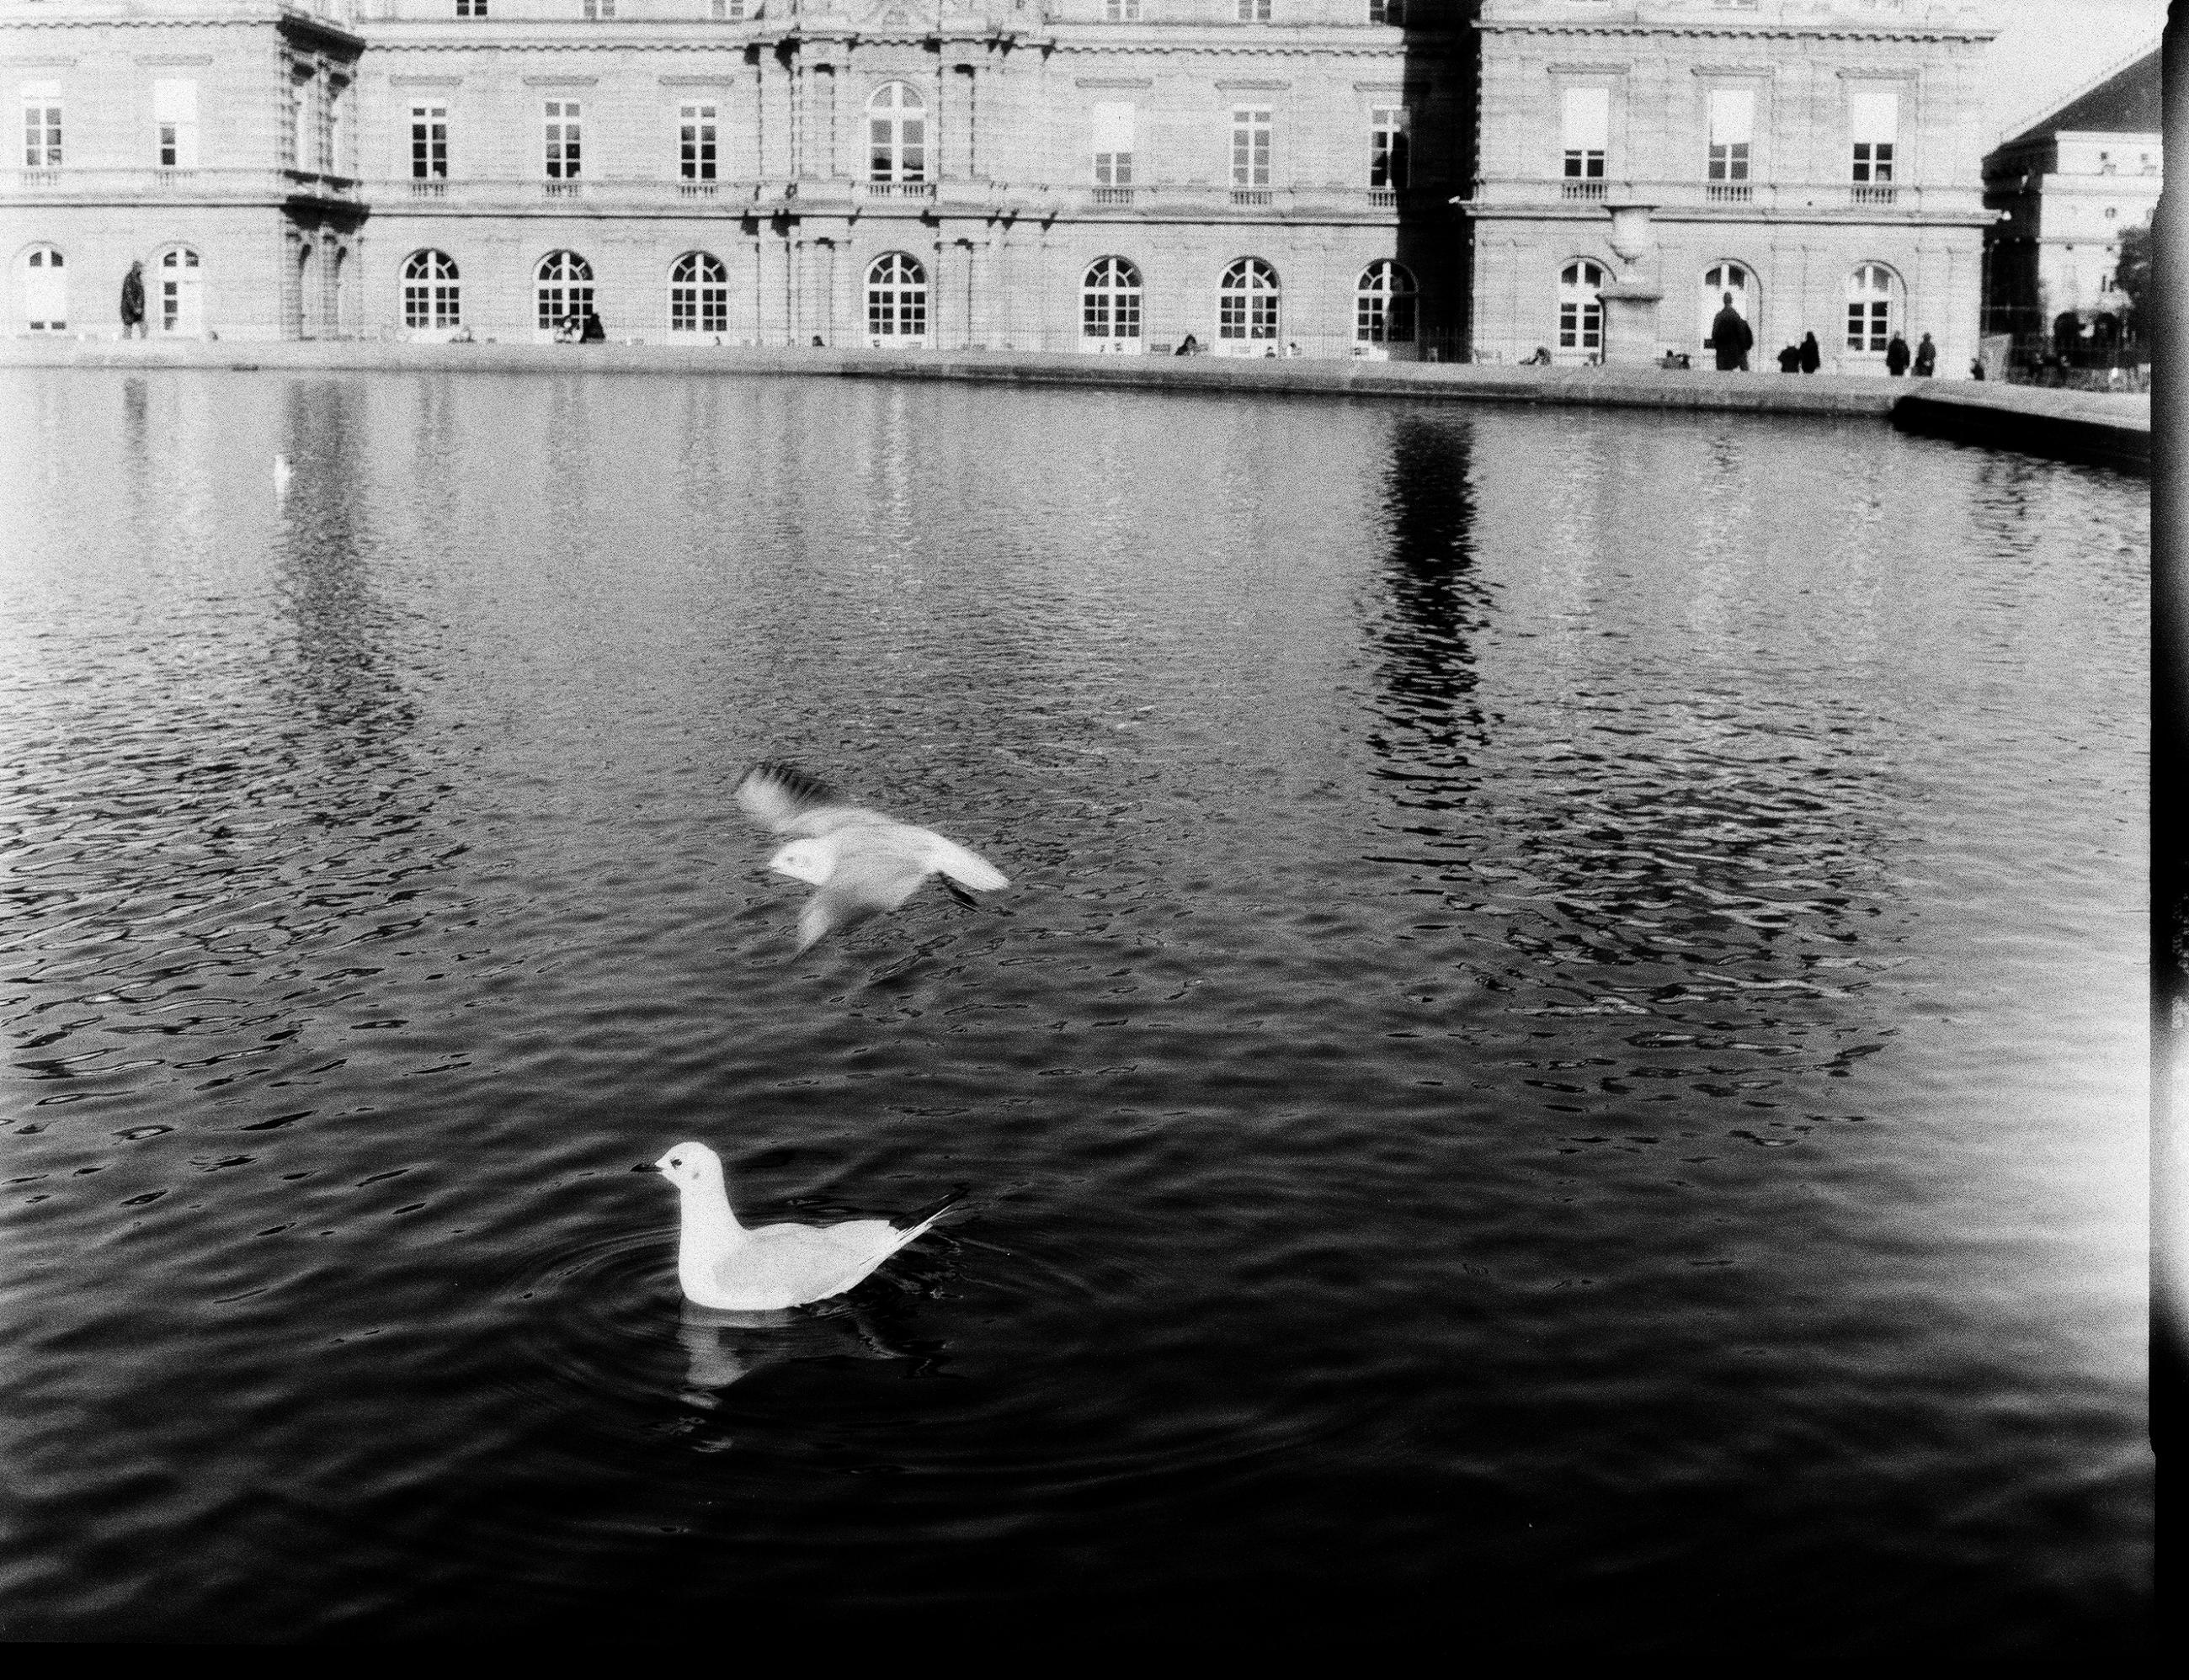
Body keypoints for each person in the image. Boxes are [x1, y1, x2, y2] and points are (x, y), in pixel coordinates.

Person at [1707, 291, 1752, 371]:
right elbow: (1742, 335)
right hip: (1736, 353)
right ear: (1732, 301)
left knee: (1723, 378)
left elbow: (1714, 334)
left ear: (1723, 301)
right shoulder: (1737, 316)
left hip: (1722, 353)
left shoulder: (1719, 316)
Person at [120, 261, 146, 338]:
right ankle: (127, 346)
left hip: (137, 307)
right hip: (129, 308)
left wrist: (139, 306)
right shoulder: (129, 278)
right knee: (128, 326)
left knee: (143, 326)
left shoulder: (138, 278)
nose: (142, 269)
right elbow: (129, 295)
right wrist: (135, 307)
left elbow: (141, 294)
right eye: (140, 267)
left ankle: (145, 345)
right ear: (136, 268)